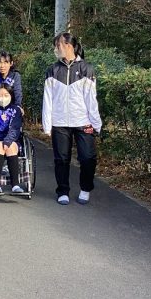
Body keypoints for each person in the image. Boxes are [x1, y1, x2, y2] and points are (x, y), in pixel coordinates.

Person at [42, 33, 102, 206]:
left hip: (83, 121)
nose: (56, 49)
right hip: (59, 122)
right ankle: (63, 191)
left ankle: (85, 188)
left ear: (68, 46)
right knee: (61, 159)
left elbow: (91, 99)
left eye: (58, 45)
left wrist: (96, 124)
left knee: (87, 158)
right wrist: (47, 125)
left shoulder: (86, 69)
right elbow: (47, 99)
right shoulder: (52, 70)